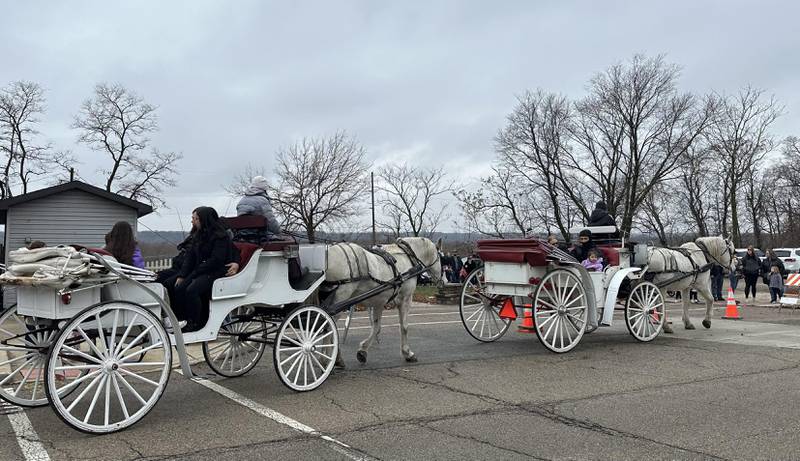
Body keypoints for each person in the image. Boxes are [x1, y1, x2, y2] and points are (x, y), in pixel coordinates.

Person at [164, 207, 240, 331]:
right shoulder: (199, 235)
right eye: (193, 218)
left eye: (196, 219)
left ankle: (196, 322)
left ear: (204, 220)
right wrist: (183, 275)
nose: (193, 221)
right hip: (201, 269)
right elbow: (190, 256)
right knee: (179, 286)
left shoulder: (220, 236)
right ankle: (181, 319)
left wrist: (196, 271)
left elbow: (216, 260)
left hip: (217, 270)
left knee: (192, 290)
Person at [236, 176, 281, 243]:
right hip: (258, 236)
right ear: (264, 189)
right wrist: (278, 231)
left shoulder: (242, 200)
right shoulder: (263, 200)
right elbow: (271, 221)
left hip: (241, 236)